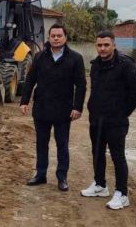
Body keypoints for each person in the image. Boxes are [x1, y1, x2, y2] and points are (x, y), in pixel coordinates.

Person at [81, 30, 136, 210]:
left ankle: (122, 193)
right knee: (97, 152)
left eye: (106, 45)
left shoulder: (125, 65)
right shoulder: (95, 65)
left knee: (117, 156)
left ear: (114, 45)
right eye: (99, 45)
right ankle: (100, 185)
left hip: (116, 121)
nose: (102, 48)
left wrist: (124, 111)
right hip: (97, 119)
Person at [19, 23, 86, 191]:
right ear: (49, 38)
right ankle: (40, 174)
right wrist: (24, 101)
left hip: (64, 110)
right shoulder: (40, 57)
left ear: (65, 38)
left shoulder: (75, 59)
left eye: (59, 35)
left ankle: (62, 178)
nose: (56, 38)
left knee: (62, 144)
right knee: (42, 143)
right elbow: (30, 80)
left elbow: (81, 85)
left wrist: (77, 107)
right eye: (53, 35)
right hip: (41, 108)